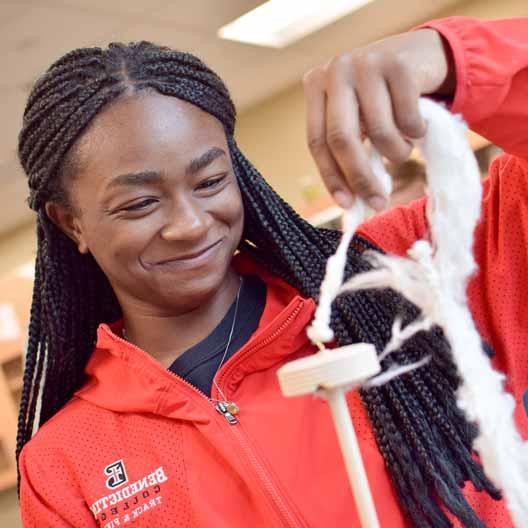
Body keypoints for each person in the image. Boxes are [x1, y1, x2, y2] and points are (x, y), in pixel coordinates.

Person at [15, 15, 527, 528]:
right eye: (141, 203)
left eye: (210, 180)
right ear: (71, 222)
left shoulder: (408, 272)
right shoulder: (65, 466)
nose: (191, 225)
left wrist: (454, 56)